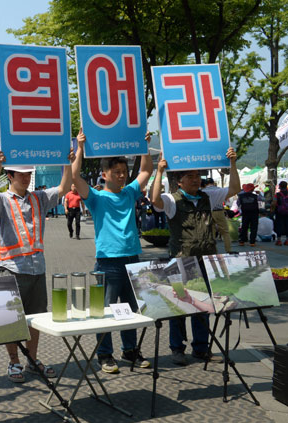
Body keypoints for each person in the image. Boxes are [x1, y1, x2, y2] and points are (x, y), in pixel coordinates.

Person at [0, 143, 75, 383]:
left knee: (35, 319)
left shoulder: (39, 197)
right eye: (21, 174)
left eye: (28, 174)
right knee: (12, 320)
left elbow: (64, 188)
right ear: (10, 175)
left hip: (37, 268)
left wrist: (67, 162)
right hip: (12, 269)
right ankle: (14, 362)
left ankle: (32, 361)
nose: (26, 178)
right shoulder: (3, 200)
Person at [71, 129, 153, 374]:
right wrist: (80, 149)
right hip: (108, 262)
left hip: (132, 259)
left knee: (131, 309)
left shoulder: (129, 193)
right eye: (116, 172)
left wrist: (144, 147)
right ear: (104, 174)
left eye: (124, 171)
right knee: (105, 311)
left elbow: (146, 171)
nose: (122, 175)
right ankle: (105, 354)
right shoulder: (96, 198)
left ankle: (130, 350)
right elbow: (75, 176)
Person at [151, 147, 240, 366]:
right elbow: (155, 200)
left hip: (206, 261)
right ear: (179, 181)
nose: (195, 179)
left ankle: (201, 349)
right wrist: (159, 171)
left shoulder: (209, 196)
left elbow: (235, 188)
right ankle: (177, 349)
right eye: (189, 176)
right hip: (181, 261)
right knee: (179, 307)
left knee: (203, 306)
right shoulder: (171, 200)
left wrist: (233, 164)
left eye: (197, 175)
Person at [204, 178, 231, 253]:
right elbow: (225, 200)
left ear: (205, 184)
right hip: (219, 211)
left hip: (208, 213)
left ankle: (213, 251)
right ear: (213, 182)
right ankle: (228, 250)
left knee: (211, 232)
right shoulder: (220, 190)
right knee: (225, 232)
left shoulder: (203, 191)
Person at [272, 181, 288, 246]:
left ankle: (279, 240)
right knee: (287, 225)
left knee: (279, 225)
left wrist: (272, 210)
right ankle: (287, 240)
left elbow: (274, 203)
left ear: (280, 186)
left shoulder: (277, 194)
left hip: (279, 212)